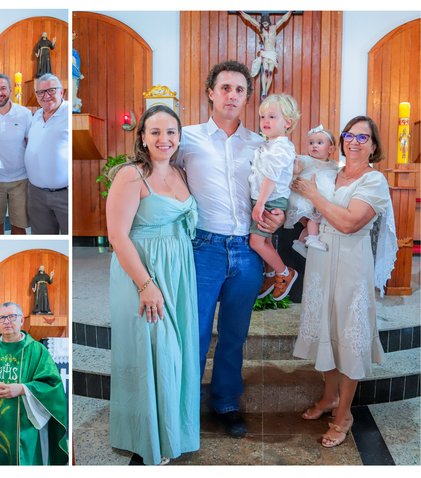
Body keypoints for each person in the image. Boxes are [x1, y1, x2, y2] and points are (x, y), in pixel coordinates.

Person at [174, 60, 285, 437]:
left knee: (235, 334)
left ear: (247, 97)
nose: (232, 95)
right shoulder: (185, 138)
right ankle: (185, 400)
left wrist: (279, 218)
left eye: (239, 90)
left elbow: (277, 190)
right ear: (210, 92)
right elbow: (160, 178)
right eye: (225, 88)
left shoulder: (261, 143)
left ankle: (225, 399)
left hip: (247, 250)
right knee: (197, 331)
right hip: (203, 247)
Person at [289, 115, 396, 448]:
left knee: (349, 332)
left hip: (351, 259)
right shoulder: (328, 173)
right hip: (321, 259)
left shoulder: (374, 180)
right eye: (349, 135)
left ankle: (345, 413)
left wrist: (313, 195)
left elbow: (349, 223)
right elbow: (306, 208)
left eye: (363, 138)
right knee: (328, 328)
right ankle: (329, 397)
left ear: (374, 146)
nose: (353, 142)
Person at [106, 105, 199, 465]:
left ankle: (176, 429)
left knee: (177, 353)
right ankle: (150, 438)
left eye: (171, 132)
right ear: (142, 136)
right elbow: (117, 235)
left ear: (179, 136)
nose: (164, 139)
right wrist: (146, 284)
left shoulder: (180, 173)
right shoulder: (131, 175)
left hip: (177, 271)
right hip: (143, 271)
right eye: (156, 132)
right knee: (153, 352)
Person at [0, 303, 68, 465]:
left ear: (21, 320)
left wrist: (23, 389)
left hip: (25, 427)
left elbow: (52, 385)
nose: (7, 321)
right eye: (2, 318)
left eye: (12, 317)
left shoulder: (37, 350)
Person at [248, 93, 300, 301]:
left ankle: (284, 273)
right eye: (262, 117)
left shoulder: (280, 147)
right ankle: (270, 274)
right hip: (263, 198)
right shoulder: (269, 143)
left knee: (256, 242)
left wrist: (259, 204)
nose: (265, 121)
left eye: (272, 117)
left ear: (288, 122)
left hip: (268, 200)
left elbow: (271, 176)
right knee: (266, 241)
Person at [0, 73, 32, 235]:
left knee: (19, 226)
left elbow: (29, 143)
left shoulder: (24, 113)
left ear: (10, 89)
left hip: (20, 180)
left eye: (3, 88)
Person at [24, 74, 69, 234]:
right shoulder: (36, 115)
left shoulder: (70, 114)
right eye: (41, 92)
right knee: (41, 237)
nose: (46, 96)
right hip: (36, 193)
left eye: (51, 90)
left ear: (61, 92)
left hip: (64, 194)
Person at [287, 125, 341, 256]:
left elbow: (340, 171)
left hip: (320, 195)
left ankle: (301, 242)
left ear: (331, 149)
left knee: (314, 221)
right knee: (315, 218)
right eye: (311, 143)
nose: (314, 146)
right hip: (306, 195)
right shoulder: (307, 159)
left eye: (319, 143)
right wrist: (294, 162)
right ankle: (312, 239)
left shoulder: (333, 163)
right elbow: (296, 170)